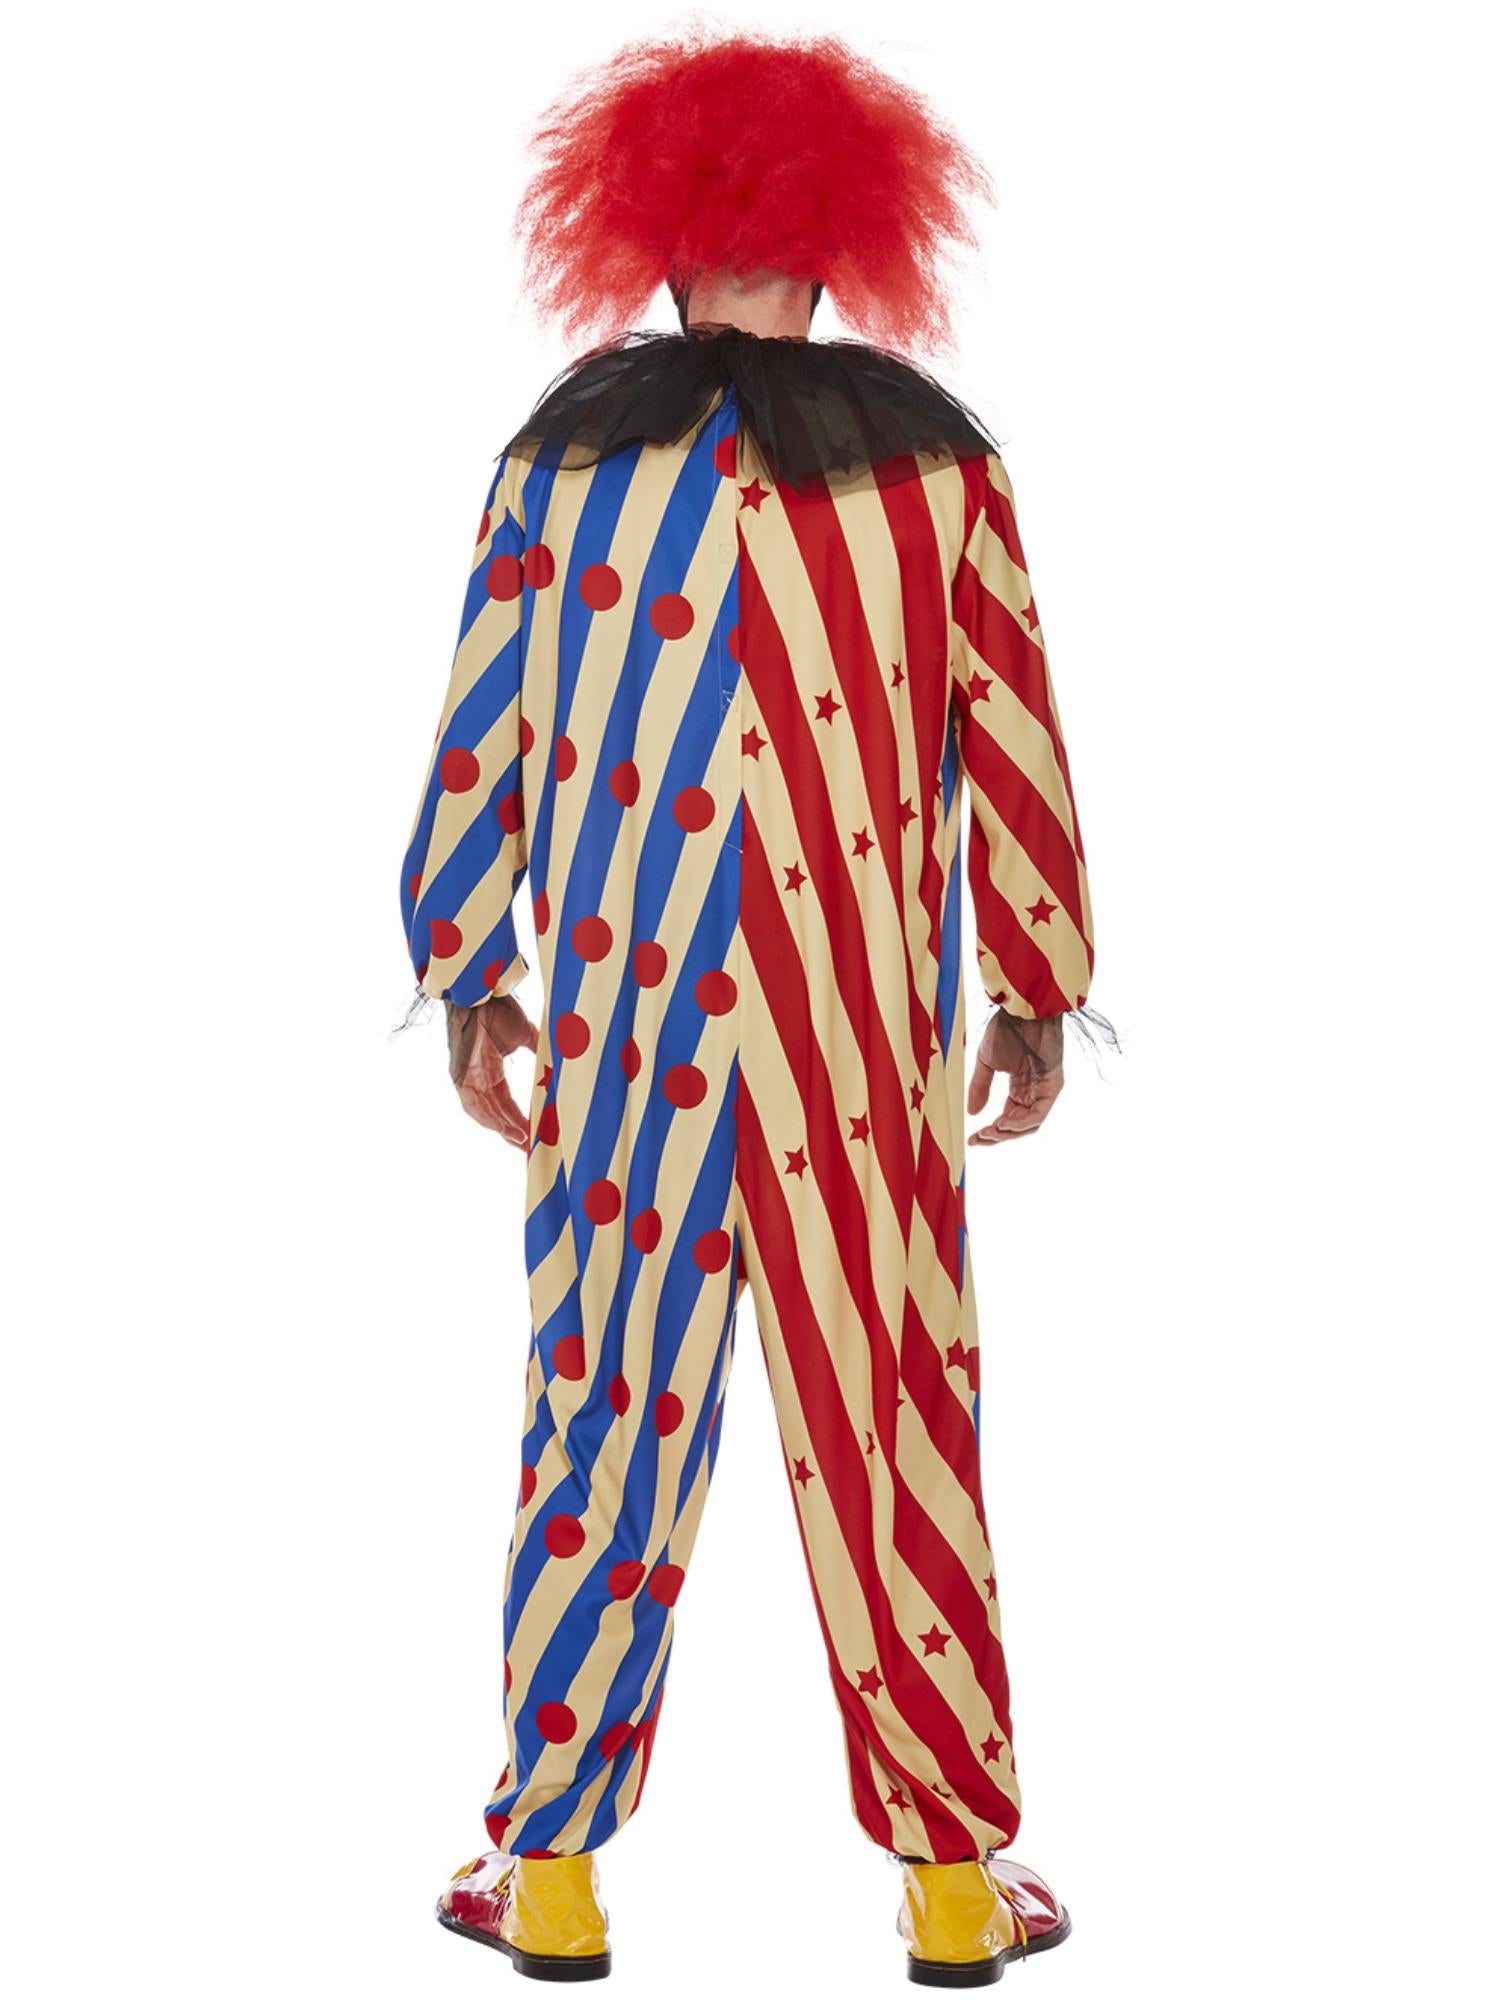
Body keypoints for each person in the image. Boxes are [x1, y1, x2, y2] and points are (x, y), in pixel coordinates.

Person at [397, 26, 1116, 1986]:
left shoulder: (564, 465)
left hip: (625, 1040)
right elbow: (1012, 736)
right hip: (854, 1049)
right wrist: (1038, 983)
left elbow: (487, 726)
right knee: (894, 1417)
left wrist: (469, 969)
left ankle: (551, 1866)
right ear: (835, 248)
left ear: (649, 244)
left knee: (600, 1411)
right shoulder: (935, 468)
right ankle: (954, 1877)